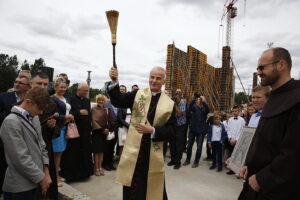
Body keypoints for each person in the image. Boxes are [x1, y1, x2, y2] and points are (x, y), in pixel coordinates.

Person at [238, 47, 300, 200]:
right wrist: (249, 164)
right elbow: (264, 139)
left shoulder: (297, 98)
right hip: (255, 179)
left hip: (276, 188)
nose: (258, 72)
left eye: (262, 67)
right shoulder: (273, 96)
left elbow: (294, 153)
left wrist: (262, 179)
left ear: (281, 65)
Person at [108, 66, 176, 200]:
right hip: (134, 152)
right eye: (152, 77)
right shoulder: (138, 94)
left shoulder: (169, 104)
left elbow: (173, 131)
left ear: (163, 82)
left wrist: (153, 130)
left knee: (153, 188)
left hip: (153, 153)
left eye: (158, 78)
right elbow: (118, 101)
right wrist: (114, 82)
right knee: (132, 188)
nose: (154, 81)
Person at [0, 87, 52, 200]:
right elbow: (20, 158)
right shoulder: (11, 122)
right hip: (20, 187)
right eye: (40, 108)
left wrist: (46, 172)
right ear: (28, 102)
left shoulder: (34, 117)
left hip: (36, 180)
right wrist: (41, 178)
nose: (41, 112)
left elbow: (41, 145)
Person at [31, 72, 61, 199]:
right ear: (31, 84)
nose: (42, 86)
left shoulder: (52, 105)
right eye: (39, 83)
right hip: (26, 149)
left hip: (45, 147)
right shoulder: (21, 104)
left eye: (45, 84)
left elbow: (56, 131)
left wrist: (51, 126)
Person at [0, 75, 31, 197]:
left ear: (28, 86)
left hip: (24, 139)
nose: (17, 84)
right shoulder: (3, 97)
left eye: (21, 83)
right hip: (5, 140)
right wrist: (13, 115)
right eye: (16, 81)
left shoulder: (30, 100)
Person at [60, 83, 93, 182]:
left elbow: (89, 114)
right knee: (73, 153)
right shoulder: (70, 99)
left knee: (85, 152)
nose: (87, 93)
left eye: (87, 91)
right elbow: (67, 114)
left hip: (85, 131)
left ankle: (85, 174)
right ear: (79, 90)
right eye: (85, 91)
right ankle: (72, 176)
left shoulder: (87, 100)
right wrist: (79, 112)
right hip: (75, 131)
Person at [51, 78, 74, 187]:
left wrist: (70, 116)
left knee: (60, 153)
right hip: (57, 129)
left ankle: (57, 175)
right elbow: (52, 114)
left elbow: (69, 111)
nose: (63, 89)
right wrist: (65, 117)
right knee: (56, 154)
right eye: (61, 87)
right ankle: (55, 177)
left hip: (65, 127)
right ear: (55, 87)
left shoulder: (66, 98)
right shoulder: (52, 99)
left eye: (65, 87)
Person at [183, 93, 210, 168]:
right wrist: (194, 99)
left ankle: (196, 161)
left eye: (201, 99)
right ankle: (188, 160)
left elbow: (208, 110)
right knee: (189, 146)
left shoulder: (205, 108)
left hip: (201, 131)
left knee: (199, 147)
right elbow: (190, 107)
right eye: (199, 99)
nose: (200, 100)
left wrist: (204, 101)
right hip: (192, 130)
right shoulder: (194, 107)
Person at [91, 94, 114, 176]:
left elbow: (111, 121)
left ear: (105, 101)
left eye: (102, 100)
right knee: (96, 152)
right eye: (99, 100)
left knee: (102, 152)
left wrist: (108, 129)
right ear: (96, 100)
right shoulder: (93, 109)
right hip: (96, 133)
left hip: (105, 134)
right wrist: (102, 130)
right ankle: (96, 168)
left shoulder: (107, 109)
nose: (100, 101)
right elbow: (93, 122)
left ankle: (100, 167)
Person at [168, 92, 186, 169]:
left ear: (180, 97)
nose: (176, 97)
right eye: (175, 96)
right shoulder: (171, 103)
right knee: (172, 144)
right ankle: (173, 160)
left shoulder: (182, 103)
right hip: (173, 126)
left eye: (177, 96)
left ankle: (178, 162)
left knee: (179, 145)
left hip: (181, 126)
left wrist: (174, 105)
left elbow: (179, 114)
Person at [225, 105, 245, 175]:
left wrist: (236, 140)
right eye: (233, 111)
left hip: (237, 140)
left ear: (239, 111)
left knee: (236, 155)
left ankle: (236, 169)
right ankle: (231, 169)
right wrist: (230, 138)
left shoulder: (242, 120)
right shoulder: (230, 120)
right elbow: (228, 129)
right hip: (230, 140)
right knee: (231, 154)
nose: (235, 112)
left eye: (236, 111)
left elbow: (242, 131)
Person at [117, 85, 130, 157]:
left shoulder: (130, 104)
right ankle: (121, 162)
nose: (122, 91)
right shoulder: (120, 104)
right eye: (120, 89)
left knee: (128, 145)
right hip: (122, 128)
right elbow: (120, 118)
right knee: (122, 145)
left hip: (130, 128)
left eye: (123, 89)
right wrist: (128, 125)